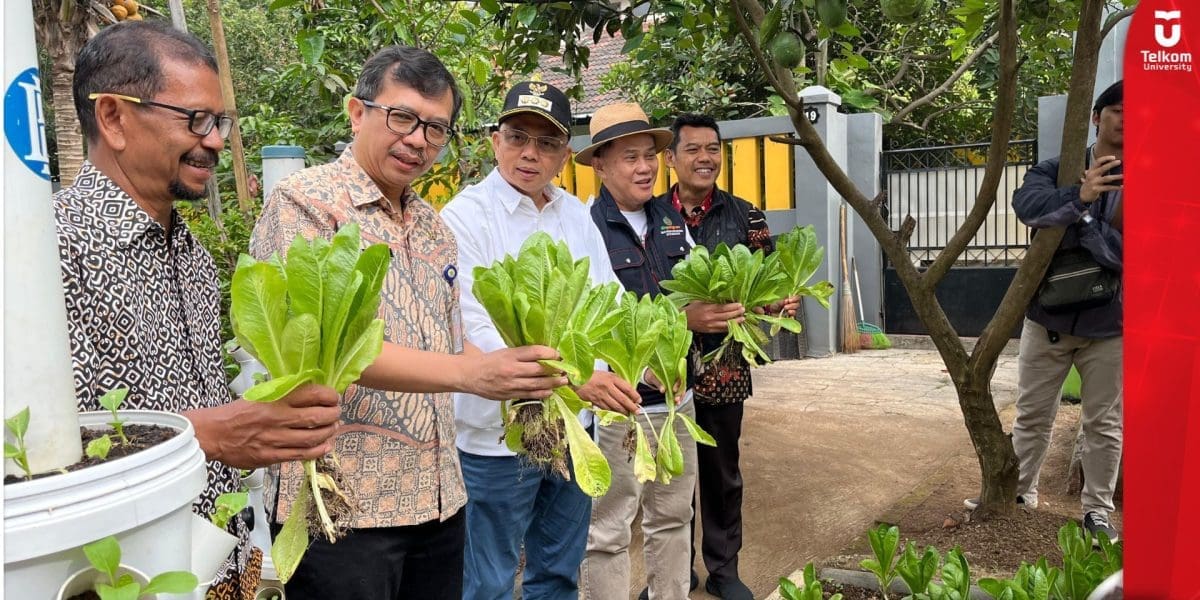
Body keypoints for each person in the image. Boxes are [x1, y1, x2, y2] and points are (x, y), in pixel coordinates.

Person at [249, 48, 567, 600]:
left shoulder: (431, 225)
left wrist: (514, 371)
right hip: (345, 503)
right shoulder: (304, 204)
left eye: (436, 128)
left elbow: (451, 343)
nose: (418, 139)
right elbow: (327, 348)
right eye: (403, 118)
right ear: (357, 112)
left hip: (440, 498)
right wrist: (470, 377)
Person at [55, 21, 342, 600]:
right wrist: (204, 436)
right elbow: (41, 452)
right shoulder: (55, 250)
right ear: (113, 117)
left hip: (219, 563)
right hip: (124, 575)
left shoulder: (191, 255)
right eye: (195, 119)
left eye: (219, 122)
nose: (214, 140)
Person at [440, 81, 641, 600]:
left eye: (547, 142)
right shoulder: (464, 217)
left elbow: (611, 303)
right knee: (488, 581)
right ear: (494, 140)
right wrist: (580, 375)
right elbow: (471, 325)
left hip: (575, 429)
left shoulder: (576, 215)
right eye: (517, 136)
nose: (530, 153)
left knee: (557, 573)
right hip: (497, 437)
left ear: (565, 155)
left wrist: (636, 359)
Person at [965, 80, 1124, 543]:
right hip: (1047, 321)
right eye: (1118, 110)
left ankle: (1097, 511)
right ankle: (1019, 494)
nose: (1130, 120)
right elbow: (1027, 207)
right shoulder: (1057, 170)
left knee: (1105, 422)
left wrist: (1086, 219)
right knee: (1033, 414)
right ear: (1096, 117)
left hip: (1110, 326)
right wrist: (1079, 195)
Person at [575, 102, 720, 600]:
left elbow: (695, 290)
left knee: (674, 519)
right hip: (619, 406)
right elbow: (588, 320)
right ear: (600, 164)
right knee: (610, 530)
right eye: (629, 158)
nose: (643, 168)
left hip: (677, 402)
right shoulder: (585, 227)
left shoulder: (673, 220)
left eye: (649, 156)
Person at [658, 113, 798, 600]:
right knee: (671, 475)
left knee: (720, 472)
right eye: (693, 149)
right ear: (671, 158)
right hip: (666, 366)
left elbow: (769, 283)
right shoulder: (653, 217)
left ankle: (723, 570)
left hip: (725, 365)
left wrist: (778, 302)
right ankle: (675, 572)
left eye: (712, 149)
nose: (705, 158)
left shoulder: (746, 216)